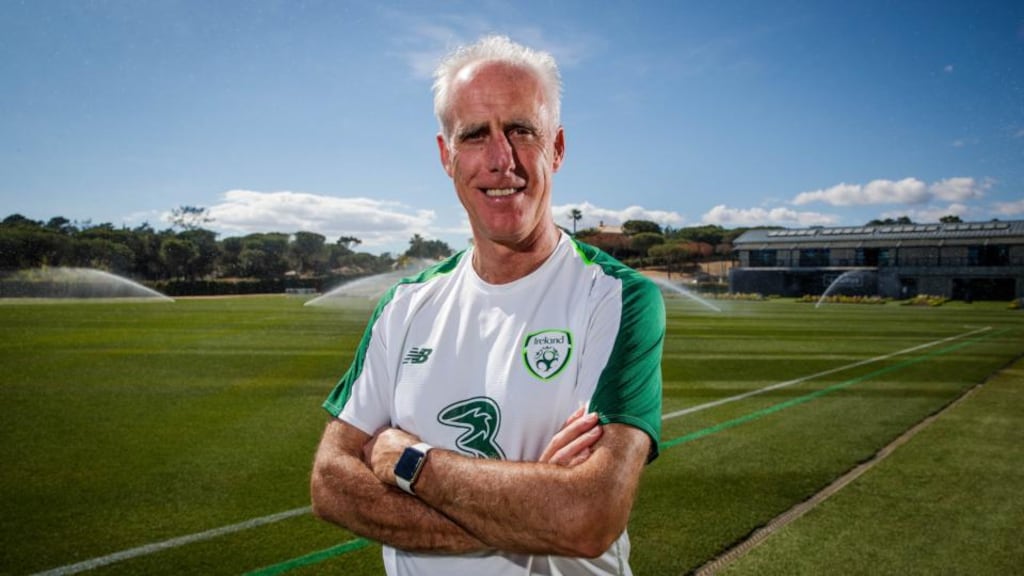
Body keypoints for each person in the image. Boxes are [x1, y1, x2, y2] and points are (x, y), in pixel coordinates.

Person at [310, 35, 665, 576]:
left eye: (522, 131)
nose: (502, 160)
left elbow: (587, 518)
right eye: (475, 135)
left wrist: (408, 461)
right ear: (445, 155)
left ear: (558, 148)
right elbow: (331, 483)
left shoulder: (616, 298)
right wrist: (528, 508)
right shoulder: (404, 306)